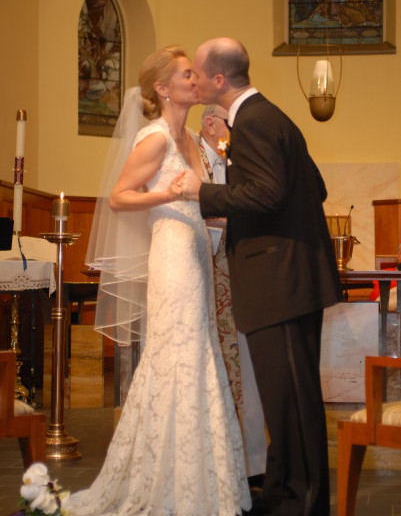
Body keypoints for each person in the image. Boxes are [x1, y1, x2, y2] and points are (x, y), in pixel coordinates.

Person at [66, 45, 252, 516]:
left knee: (198, 352)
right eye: (187, 74)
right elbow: (118, 198)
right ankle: (169, 483)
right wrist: (164, 195)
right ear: (162, 88)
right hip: (171, 256)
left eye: (195, 72)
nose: (196, 79)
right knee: (177, 354)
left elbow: (200, 198)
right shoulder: (154, 139)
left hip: (197, 252)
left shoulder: (190, 137)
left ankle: (199, 482)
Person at [181, 38, 342, 516]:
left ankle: (302, 501)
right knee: (286, 397)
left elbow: (268, 194)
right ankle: (282, 492)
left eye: (198, 72)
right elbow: (313, 185)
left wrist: (203, 193)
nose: (193, 78)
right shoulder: (272, 116)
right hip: (289, 278)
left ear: (218, 81)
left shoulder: (251, 123)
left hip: (280, 281)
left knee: (291, 400)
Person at [197, 104, 267, 481]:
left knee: (246, 362)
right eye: (230, 124)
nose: (235, 132)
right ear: (211, 125)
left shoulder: (234, 157)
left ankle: (252, 460)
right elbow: (196, 208)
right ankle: (216, 460)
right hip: (206, 269)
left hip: (237, 270)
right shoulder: (192, 155)